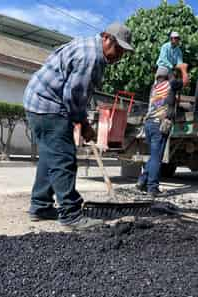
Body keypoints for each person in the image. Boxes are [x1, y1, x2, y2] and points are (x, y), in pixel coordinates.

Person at [24, 23, 134, 226]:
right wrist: (84, 125)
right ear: (106, 38)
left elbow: (78, 94)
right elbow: (73, 97)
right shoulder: (91, 57)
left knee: (50, 157)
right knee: (64, 158)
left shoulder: (89, 48)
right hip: (48, 105)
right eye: (117, 48)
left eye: (123, 52)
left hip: (38, 102)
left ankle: (40, 206)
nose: (119, 55)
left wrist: (82, 123)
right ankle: (71, 214)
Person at [136, 65, 185, 197]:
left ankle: (142, 181)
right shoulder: (170, 84)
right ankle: (152, 188)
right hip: (159, 125)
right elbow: (184, 81)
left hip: (149, 124)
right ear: (167, 75)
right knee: (156, 158)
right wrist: (183, 69)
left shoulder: (154, 88)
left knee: (153, 156)